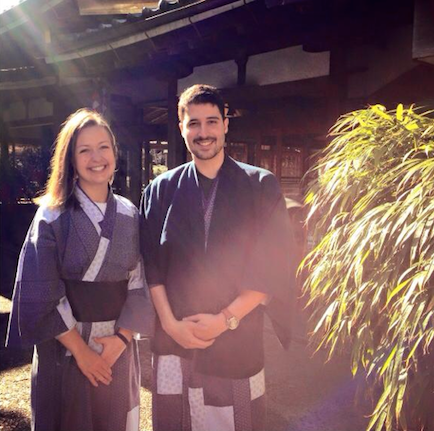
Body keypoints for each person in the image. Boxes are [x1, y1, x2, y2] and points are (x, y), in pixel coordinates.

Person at [140, 84, 295, 431]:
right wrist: (170, 324)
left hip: (236, 337)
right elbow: (151, 264)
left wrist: (225, 320)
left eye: (211, 121)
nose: (203, 132)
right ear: (181, 128)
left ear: (226, 124)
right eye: (193, 123)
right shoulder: (160, 189)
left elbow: (272, 265)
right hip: (175, 337)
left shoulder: (261, 185)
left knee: (235, 421)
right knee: (175, 420)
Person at [6, 108, 154, 431]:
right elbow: (41, 290)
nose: (96, 157)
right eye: (84, 150)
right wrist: (83, 352)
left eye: (103, 147)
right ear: (70, 159)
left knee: (116, 419)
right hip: (65, 350)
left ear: (114, 152)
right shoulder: (52, 215)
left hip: (117, 349)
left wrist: (122, 339)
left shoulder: (129, 214)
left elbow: (139, 283)